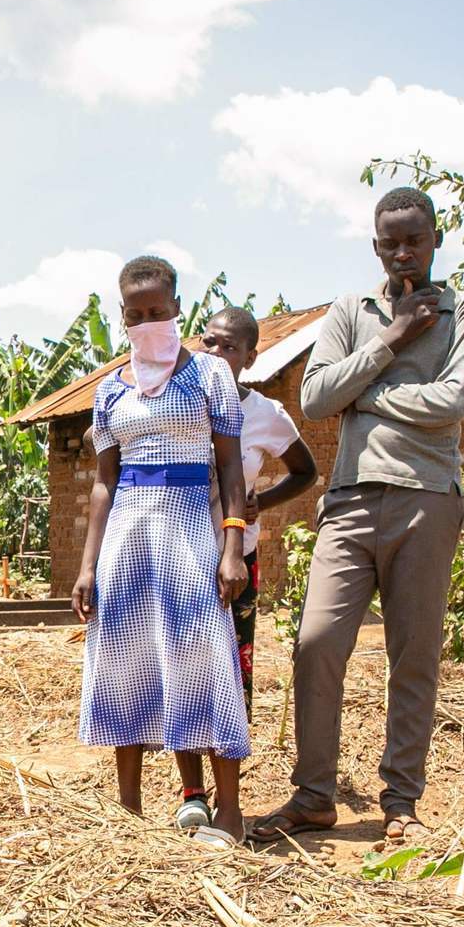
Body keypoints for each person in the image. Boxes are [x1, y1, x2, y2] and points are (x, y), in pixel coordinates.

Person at [250, 187, 464, 846]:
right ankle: (314, 795)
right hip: (350, 501)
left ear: (436, 238)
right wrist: (390, 340)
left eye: (416, 239)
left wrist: (368, 395)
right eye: (391, 242)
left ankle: (402, 803)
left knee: (414, 656)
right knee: (316, 642)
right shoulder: (351, 313)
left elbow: (456, 401)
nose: (404, 252)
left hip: (426, 498)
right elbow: (318, 396)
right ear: (376, 245)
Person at [72, 256, 254, 842]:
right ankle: (129, 810)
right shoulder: (108, 391)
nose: (147, 320)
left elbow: (230, 469)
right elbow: (104, 481)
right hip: (125, 540)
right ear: (122, 316)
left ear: (177, 308)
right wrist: (86, 566)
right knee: (125, 664)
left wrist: (231, 548)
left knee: (206, 662)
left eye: (157, 310)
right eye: (135, 314)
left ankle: (228, 809)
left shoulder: (209, 377)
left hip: (189, 538)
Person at [174, 306, 316, 830]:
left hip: (235, 565)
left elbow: (306, 471)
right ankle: (192, 794)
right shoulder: (177, 404)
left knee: (231, 677)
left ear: (251, 356)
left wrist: (265, 500)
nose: (216, 353)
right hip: (180, 558)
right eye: (209, 342)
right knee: (184, 673)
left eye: (229, 346)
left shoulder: (265, 414)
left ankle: (230, 807)